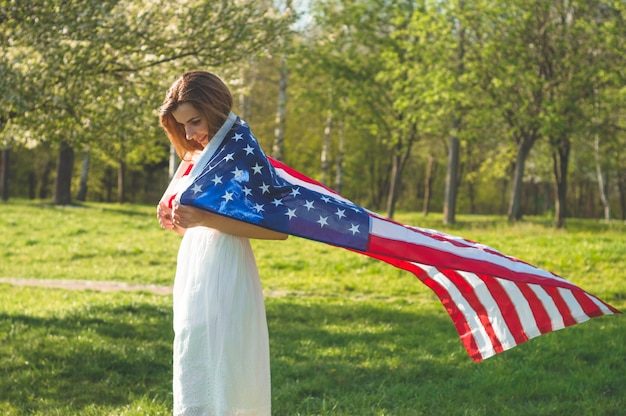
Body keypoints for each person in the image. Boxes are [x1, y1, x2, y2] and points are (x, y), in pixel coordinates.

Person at [157, 70, 287, 416]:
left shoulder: (242, 149)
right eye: (182, 124)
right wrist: (173, 203)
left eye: (194, 121)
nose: (188, 133)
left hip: (226, 266)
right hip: (197, 262)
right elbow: (201, 197)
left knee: (226, 360)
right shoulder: (207, 150)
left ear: (214, 108)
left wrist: (202, 219)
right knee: (194, 349)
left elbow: (277, 227)